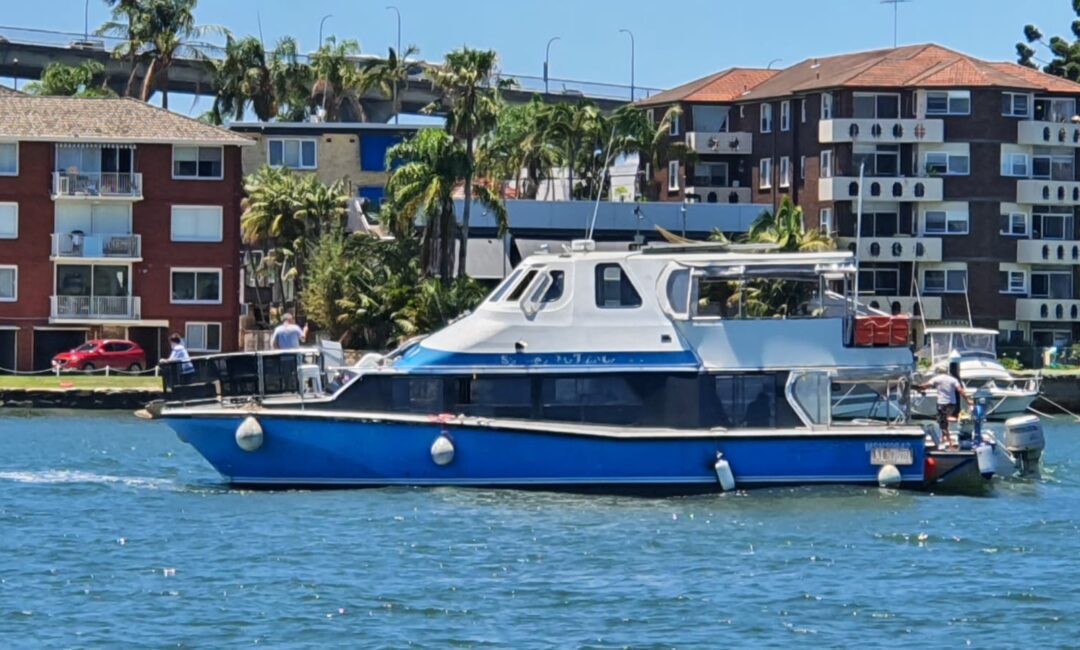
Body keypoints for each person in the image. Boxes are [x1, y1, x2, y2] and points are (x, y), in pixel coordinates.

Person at [918, 371, 973, 448]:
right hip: (952, 404)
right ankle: (944, 437)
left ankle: (949, 442)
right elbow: (960, 390)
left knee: (943, 423)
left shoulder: (937, 378)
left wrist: (919, 387)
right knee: (944, 422)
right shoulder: (953, 380)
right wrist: (967, 399)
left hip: (941, 403)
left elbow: (926, 385)